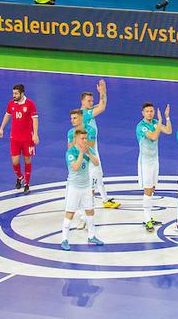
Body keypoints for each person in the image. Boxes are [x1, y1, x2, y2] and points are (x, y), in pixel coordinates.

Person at [72, 80, 118, 208]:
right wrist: (103, 92)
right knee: (94, 175)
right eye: (89, 101)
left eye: (92, 101)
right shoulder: (85, 114)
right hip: (89, 149)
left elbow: (100, 105)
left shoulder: (85, 111)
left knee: (98, 174)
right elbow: (102, 107)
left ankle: (104, 199)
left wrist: (103, 95)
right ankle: (88, 205)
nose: (91, 103)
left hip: (91, 148)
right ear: (82, 101)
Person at [61, 126, 104, 250]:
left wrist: (88, 152)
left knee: (90, 211)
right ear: (75, 140)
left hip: (86, 187)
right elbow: (75, 167)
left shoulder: (88, 149)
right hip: (74, 187)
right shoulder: (70, 152)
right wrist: (81, 153)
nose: (85, 141)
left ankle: (91, 236)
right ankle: (64, 239)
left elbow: (96, 163)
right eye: (82, 139)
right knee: (70, 212)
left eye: (85, 138)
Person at [136, 102, 172, 232]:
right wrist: (160, 121)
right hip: (145, 163)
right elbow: (153, 136)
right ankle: (147, 220)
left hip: (154, 161)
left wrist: (167, 118)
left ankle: (149, 217)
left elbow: (168, 131)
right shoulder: (141, 127)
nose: (150, 113)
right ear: (143, 113)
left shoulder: (155, 122)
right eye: (147, 111)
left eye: (151, 111)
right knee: (147, 190)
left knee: (152, 189)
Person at [0, 84, 39, 193]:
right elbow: (7, 115)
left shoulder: (30, 104)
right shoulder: (11, 104)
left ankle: (27, 184)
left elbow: (35, 119)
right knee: (15, 161)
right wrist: (1, 128)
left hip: (27, 139)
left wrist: (35, 134)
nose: (14, 95)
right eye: (13, 93)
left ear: (22, 93)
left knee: (27, 159)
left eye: (16, 93)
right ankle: (20, 177)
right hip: (14, 138)